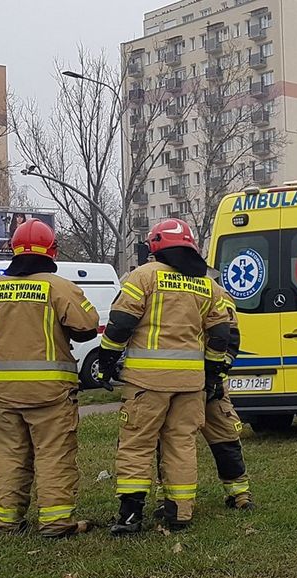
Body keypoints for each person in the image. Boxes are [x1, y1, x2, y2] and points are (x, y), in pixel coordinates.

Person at [99, 218, 232, 534]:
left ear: (155, 245)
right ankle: (180, 512)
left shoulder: (142, 277)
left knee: (136, 443)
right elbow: (221, 333)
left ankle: (130, 516)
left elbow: (120, 323)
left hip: (148, 383)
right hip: (191, 384)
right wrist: (212, 372)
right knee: (181, 444)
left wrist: (105, 360)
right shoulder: (206, 285)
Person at [0, 218, 100, 537]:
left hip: (3, 394)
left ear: (13, 251)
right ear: (51, 251)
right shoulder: (58, 287)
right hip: (50, 394)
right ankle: (56, 523)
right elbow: (86, 329)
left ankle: (7, 521)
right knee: (54, 455)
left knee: (9, 457)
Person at [200, 281, 254, 510]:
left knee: (224, 437)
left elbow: (230, 337)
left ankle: (239, 493)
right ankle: (170, 499)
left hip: (199, 381)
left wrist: (216, 374)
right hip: (182, 381)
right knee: (173, 442)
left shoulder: (213, 291)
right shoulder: (214, 290)